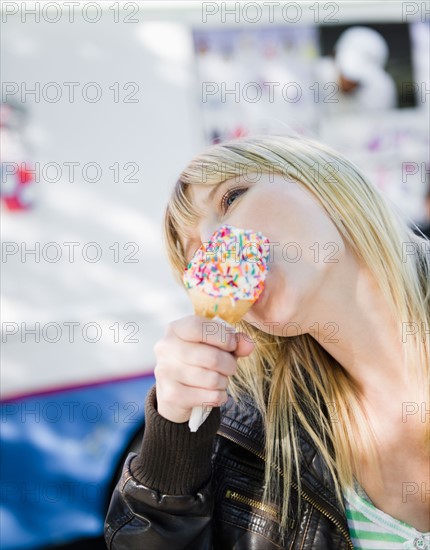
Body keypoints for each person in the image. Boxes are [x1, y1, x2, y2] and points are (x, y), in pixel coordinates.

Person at [104, 135, 429, 549]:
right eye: (195, 254)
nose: (214, 246)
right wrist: (174, 440)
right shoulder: (246, 435)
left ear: (321, 183)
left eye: (231, 197)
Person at [317, 26, 397, 113]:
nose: (348, 82)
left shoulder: (382, 89)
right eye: (344, 73)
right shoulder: (318, 74)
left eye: (355, 80)